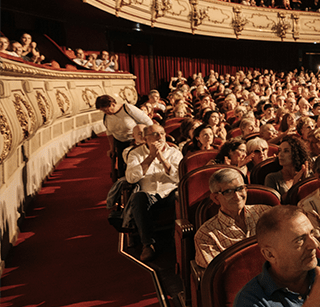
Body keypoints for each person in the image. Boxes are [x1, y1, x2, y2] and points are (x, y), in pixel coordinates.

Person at [194, 168, 274, 269]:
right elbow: (218, 273)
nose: (237, 196)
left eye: (240, 188)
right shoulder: (206, 235)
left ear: (246, 189)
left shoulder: (265, 213)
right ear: (215, 198)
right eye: (228, 191)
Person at [125, 125, 183, 262]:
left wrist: (162, 159)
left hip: (169, 192)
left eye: (162, 133)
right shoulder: (135, 153)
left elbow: (180, 177)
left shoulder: (174, 152)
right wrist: (151, 156)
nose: (160, 137)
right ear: (145, 138)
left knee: (179, 196)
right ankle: (148, 244)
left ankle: (177, 239)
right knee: (138, 198)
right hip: (148, 193)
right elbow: (131, 178)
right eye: (155, 134)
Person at [96, 94, 154, 177]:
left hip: (135, 141)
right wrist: (112, 148)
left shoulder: (128, 109)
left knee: (133, 163)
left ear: (113, 104)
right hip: (119, 142)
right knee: (122, 167)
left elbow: (148, 122)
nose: (106, 113)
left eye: (106, 110)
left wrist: (143, 138)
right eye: (103, 111)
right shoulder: (107, 116)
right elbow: (109, 133)